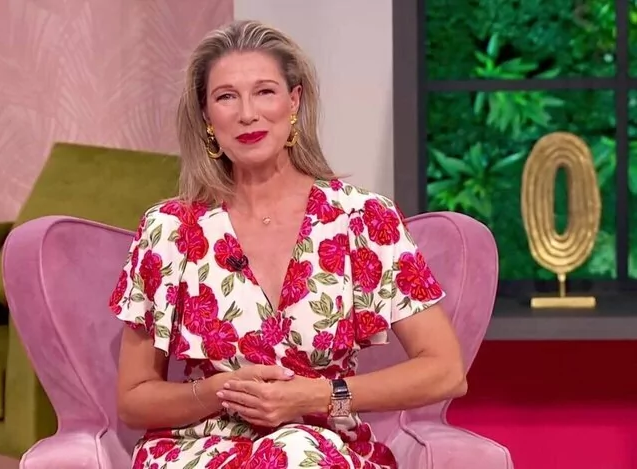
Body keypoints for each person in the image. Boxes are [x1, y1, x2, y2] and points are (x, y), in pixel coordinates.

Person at [109, 19, 466, 469]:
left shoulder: (363, 219)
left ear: (294, 101)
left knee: (296, 450)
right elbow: (134, 400)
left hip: (323, 448)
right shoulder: (168, 230)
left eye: (265, 92)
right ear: (206, 116)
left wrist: (318, 396)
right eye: (226, 97)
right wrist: (218, 392)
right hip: (198, 451)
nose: (247, 114)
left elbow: (445, 371)